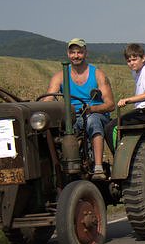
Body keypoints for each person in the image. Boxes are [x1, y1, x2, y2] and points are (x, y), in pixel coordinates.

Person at [44, 38, 115, 180]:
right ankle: (57, 170)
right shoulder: (60, 76)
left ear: (85, 53)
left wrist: (92, 108)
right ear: (68, 54)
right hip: (72, 116)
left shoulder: (97, 74)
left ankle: (98, 167)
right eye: (72, 52)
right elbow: (49, 99)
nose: (76, 55)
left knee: (92, 121)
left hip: (95, 113)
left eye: (79, 52)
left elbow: (110, 104)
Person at [105, 43, 145, 150]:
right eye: (129, 61)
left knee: (112, 127)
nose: (131, 63)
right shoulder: (137, 72)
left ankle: (119, 161)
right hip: (144, 110)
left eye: (134, 59)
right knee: (113, 123)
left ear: (143, 58)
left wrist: (129, 99)